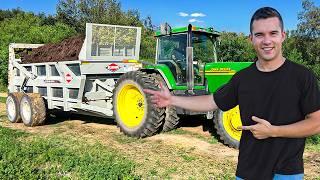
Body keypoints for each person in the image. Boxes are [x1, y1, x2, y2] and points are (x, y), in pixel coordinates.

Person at [144, 7, 320, 180]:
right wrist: (172, 99)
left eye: (273, 33)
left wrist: (274, 131)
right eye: (259, 35)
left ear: (283, 36)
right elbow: (212, 101)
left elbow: (316, 123)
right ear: (251, 39)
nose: (267, 41)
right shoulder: (242, 78)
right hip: (248, 170)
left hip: (286, 173)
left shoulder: (302, 77)